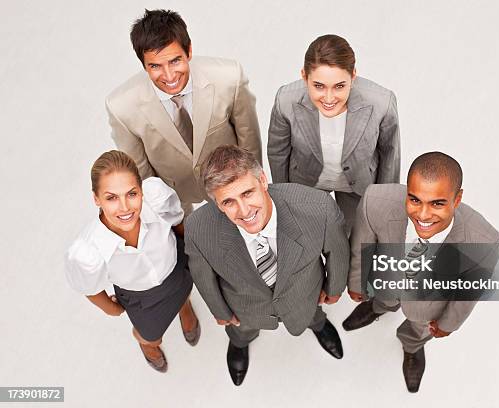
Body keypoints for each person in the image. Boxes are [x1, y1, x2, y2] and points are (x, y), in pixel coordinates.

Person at [185, 145, 349, 386]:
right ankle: (240, 343)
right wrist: (219, 311)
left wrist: (334, 289)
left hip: (305, 293)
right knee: (242, 331)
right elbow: (202, 275)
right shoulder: (199, 229)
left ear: (263, 180)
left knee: (311, 313)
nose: (244, 211)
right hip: (245, 306)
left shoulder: (318, 208)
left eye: (247, 193)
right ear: (217, 204)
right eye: (228, 202)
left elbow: (337, 251)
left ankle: (318, 323)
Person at [342, 152, 499, 392]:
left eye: (437, 203)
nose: (423, 215)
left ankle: (412, 347)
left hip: (428, 307)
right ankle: (378, 308)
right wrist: (356, 284)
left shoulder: (484, 242)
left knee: (418, 330)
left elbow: (468, 293)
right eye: (415, 200)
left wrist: (449, 324)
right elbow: (360, 248)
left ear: (456, 200)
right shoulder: (375, 202)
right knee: (383, 297)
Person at [106, 9, 262, 216]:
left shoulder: (228, 78)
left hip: (230, 183)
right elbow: (142, 175)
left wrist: (251, 189)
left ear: (188, 51)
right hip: (174, 195)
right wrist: (171, 217)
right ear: (143, 65)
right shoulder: (121, 107)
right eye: (155, 66)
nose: (169, 75)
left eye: (175, 61)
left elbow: (249, 140)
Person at [65, 150, 200, 373]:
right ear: (96, 198)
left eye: (131, 194)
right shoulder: (88, 250)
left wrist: (191, 256)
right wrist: (112, 309)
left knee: (183, 292)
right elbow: (89, 287)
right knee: (150, 334)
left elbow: (178, 225)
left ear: (141, 189)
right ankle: (148, 344)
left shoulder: (155, 199)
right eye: (111, 198)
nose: (125, 207)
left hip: (176, 268)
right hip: (141, 298)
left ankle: (184, 307)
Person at [267, 34, 400, 234]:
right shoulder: (285, 100)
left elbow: (390, 154)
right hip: (306, 181)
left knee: (356, 247)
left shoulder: (382, 102)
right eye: (318, 86)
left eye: (339, 86)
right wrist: (284, 201)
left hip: (359, 184)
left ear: (353, 76)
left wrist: (383, 206)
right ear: (304, 76)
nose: (329, 98)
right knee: (306, 243)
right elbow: (277, 153)